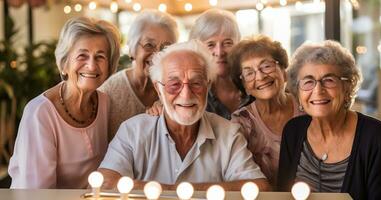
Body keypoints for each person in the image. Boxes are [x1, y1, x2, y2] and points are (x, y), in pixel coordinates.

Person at [98, 40, 269, 191]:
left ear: (207, 86)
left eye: (196, 83)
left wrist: (171, 190)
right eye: (174, 84)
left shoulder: (228, 133)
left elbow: (258, 187)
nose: (186, 95)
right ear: (159, 89)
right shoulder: (132, 131)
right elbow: (104, 183)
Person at [277, 40, 381, 199]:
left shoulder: (375, 136)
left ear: (347, 86)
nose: (318, 90)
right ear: (297, 92)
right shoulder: (293, 131)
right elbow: (282, 196)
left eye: (329, 80)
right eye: (308, 81)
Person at [8, 17, 121, 188]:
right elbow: (38, 192)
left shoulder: (105, 102)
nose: (91, 66)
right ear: (64, 63)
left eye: (100, 57)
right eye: (82, 55)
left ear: (109, 66)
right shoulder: (40, 113)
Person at [229, 35, 303, 188]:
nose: (261, 76)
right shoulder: (241, 122)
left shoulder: (307, 107)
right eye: (249, 73)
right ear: (244, 86)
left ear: (283, 71)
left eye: (266, 66)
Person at [99, 10, 178, 138]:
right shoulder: (109, 93)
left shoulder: (177, 90)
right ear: (132, 49)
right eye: (149, 45)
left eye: (165, 48)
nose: (157, 54)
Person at [189, 9, 242, 120]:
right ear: (198, 49)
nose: (219, 52)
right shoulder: (190, 94)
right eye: (210, 44)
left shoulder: (253, 85)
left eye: (227, 43)